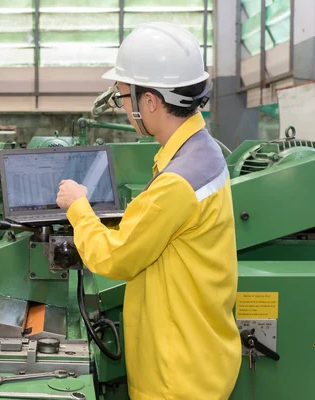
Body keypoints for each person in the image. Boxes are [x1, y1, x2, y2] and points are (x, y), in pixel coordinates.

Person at [56, 22, 242, 399]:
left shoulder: (178, 180)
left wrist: (78, 207)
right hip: (202, 355)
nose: (123, 107)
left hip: (177, 378)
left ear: (150, 102)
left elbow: (115, 258)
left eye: (123, 96)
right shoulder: (202, 152)